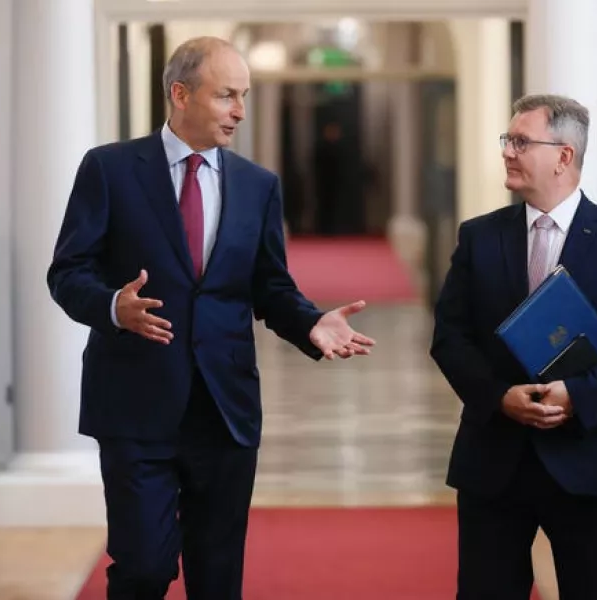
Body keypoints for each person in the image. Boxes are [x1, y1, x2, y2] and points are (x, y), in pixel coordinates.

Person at [46, 36, 375, 599]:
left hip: (225, 410)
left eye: (243, 96)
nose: (240, 112)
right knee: (145, 567)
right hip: (135, 404)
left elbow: (270, 285)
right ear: (180, 93)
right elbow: (67, 272)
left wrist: (310, 323)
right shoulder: (110, 169)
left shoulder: (258, 185)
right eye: (227, 96)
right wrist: (112, 308)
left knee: (217, 576)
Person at [430, 94, 597, 599]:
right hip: (493, 460)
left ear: (564, 156)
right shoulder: (478, 237)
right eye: (508, 140)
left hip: (590, 460)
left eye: (521, 142)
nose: (508, 152)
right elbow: (450, 338)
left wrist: (578, 395)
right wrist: (499, 396)